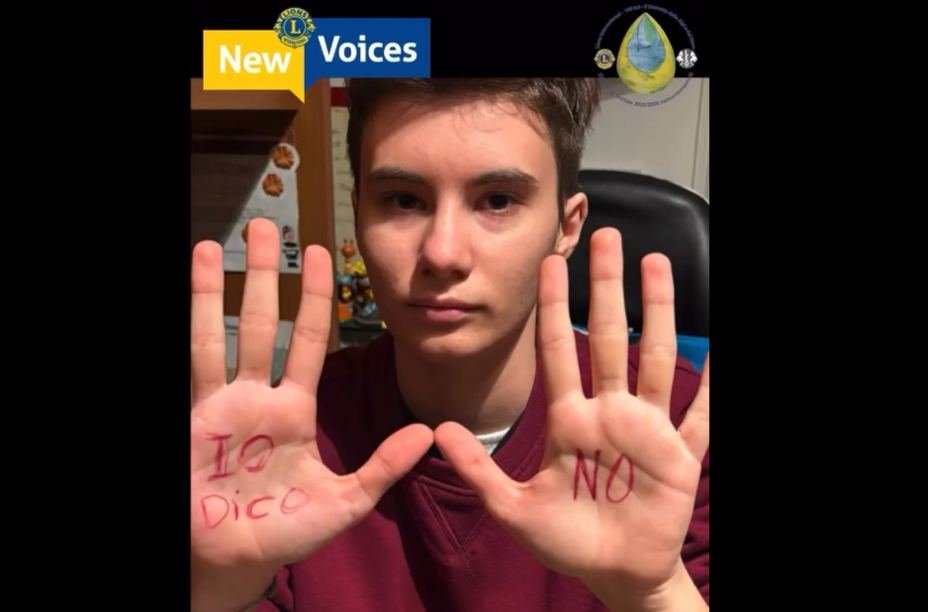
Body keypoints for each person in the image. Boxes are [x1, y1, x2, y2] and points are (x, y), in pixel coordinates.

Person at [190, 78, 710, 612]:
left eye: (498, 200)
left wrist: (654, 593)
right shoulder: (278, 442)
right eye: (404, 200)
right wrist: (221, 589)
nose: (442, 253)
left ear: (567, 226)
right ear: (360, 213)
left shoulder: (673, 430)